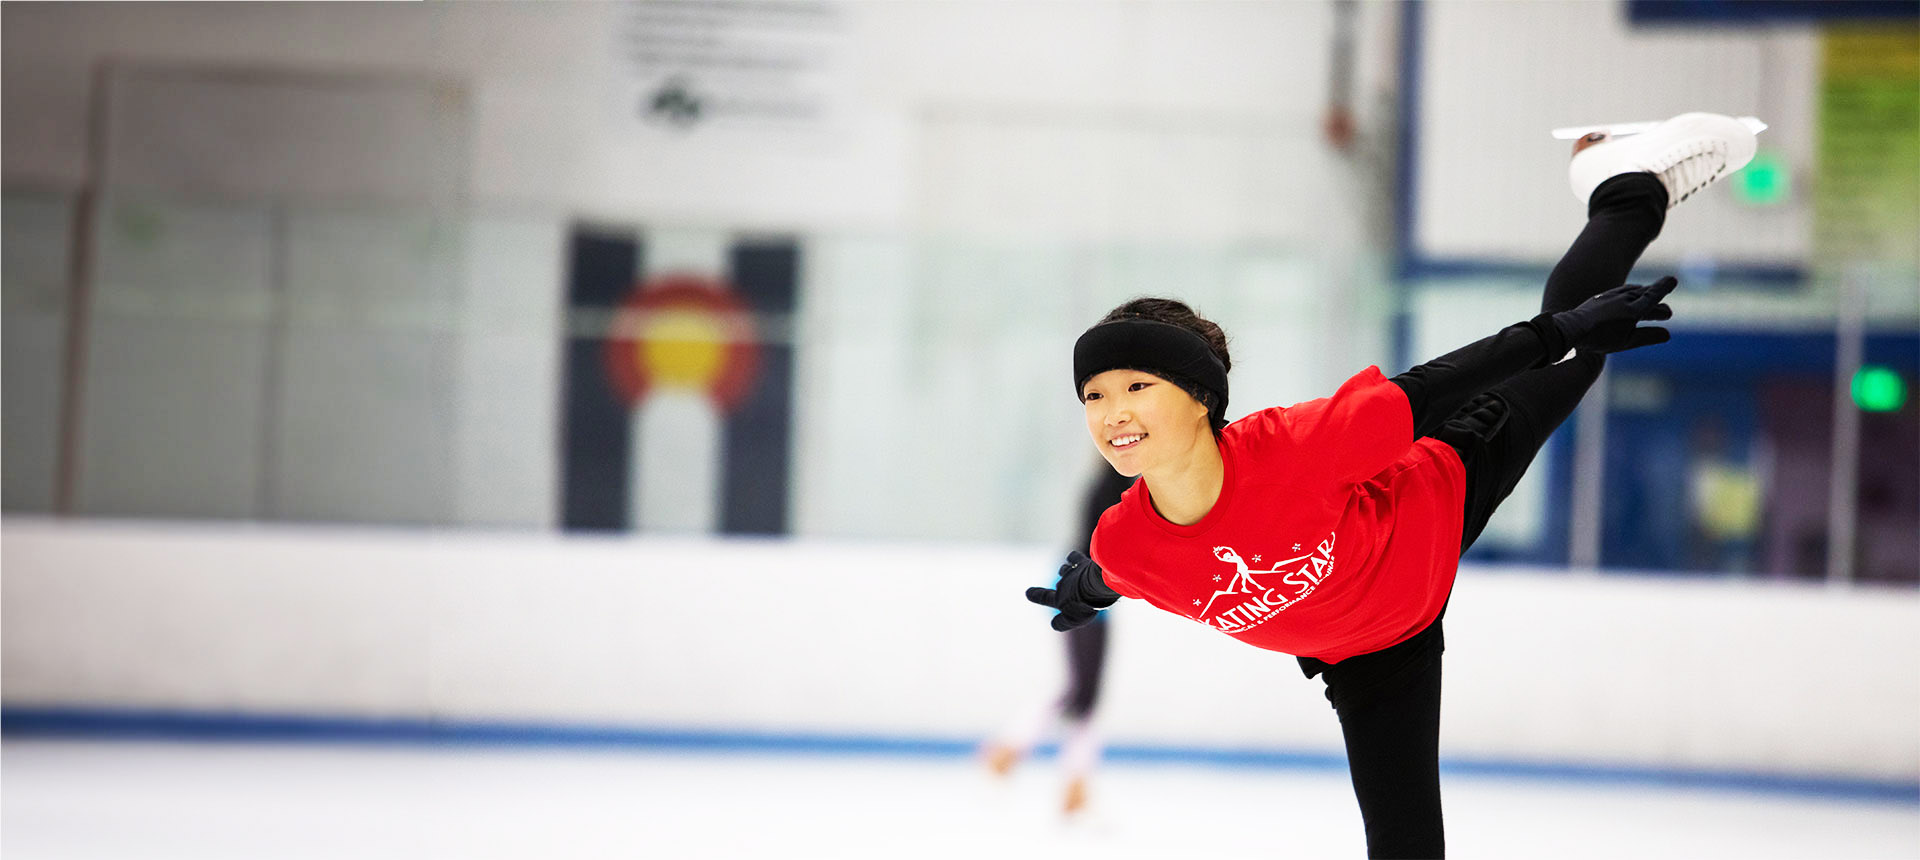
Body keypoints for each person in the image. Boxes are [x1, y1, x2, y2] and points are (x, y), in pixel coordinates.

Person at [1026, 112, 1758, 858]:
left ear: (1201, 397)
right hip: (1378, 657)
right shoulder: (1124, 541)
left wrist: (1562, 333)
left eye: (1136, 386)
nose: (1112, 413)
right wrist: (1082, 591)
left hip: (1447, 485)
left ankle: (1625, 189)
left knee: (1579, 358)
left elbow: (1432, 388)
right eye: (1093, 395)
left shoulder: (1295, 447)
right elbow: (1109, 574)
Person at [981, 464, 1134, 815]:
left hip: (1088, 585)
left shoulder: (1111, 486)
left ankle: (1068, 779)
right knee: (1083, 692)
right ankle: (1015, 751)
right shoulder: (1116, 490)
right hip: (1082, 586)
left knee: (1086, 692)